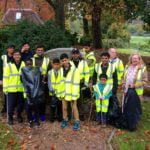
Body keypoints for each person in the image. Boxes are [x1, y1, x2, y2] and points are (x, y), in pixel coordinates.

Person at [118, 53, 148, 131]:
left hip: (136, 92)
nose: (134, 59)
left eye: (136, 58)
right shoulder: (127, 67)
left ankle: (133, 124)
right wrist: (123, 83)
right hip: (126, 90)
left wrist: (135, 85)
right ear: (131, 59)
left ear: (139, 59)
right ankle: (125, 122)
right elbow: (123, 77)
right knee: (126, 107)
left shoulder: (142, 68)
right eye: (133, 58)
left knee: (134, 109)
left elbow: (145, 81)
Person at [3, 51, 25, 125]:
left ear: (20, 56)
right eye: (15, 55)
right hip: (11, 89)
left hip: (21, 89)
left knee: (20, 104)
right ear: (13, 56)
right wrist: (5, 89)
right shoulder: (8, 65)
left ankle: (19, 115)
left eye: (18, 55)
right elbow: (5, 78)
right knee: (11, 104)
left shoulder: (23, 64)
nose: (17, 56)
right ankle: (10, 118)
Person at [60, 53, 80, 131]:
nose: (64, 62)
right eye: (62, 61)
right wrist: (60, 93)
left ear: (68, 60)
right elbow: (60, 83)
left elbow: (76, 84)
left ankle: (77, 121)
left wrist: (74, 95)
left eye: (65, 60)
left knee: (74, 107)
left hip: (72, 94)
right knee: (64, 108)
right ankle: (65, 119)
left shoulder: (75, 70)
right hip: (64, 93)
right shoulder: (60, 70)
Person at [21, 59, 43, 128]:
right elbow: (23, 81)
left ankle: (37, 120)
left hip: (35, 92)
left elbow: (40, 79)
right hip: (27, 93)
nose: (29, 65)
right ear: (25, 65)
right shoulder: (23, 71)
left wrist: (40, 70)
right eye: (27, 64)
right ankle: (30, 121)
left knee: (36, 107)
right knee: (28, 108)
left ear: (32, 63)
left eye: (30, 64)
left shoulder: (36, 71)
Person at [32, 45, 51, 121]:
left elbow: (49, 71)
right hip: (34, 82)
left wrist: (46, 76)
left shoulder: (47, 60)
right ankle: (35, 114)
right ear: (36, 51)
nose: (40, 51)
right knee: (34, 99)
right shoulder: (32, 59)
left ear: (43, 51)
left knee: (42, 99)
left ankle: (42, 114)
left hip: (43, 82)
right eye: (38, 50)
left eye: (41, 50)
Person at [0, 45, 15, 114]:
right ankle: (5, 108)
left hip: (13, 78)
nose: (11, 49)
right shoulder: (3, 57)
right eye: (10, 48)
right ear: (7, 49)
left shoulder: (15, 56)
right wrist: (0, 79)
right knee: (5, 93)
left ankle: (12, 108)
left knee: (12, 93)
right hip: (5, 78)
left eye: (12, 48)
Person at [48, 58, 63, 122]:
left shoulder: (62, 71)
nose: (56, 66)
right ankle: (52, 117)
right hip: (52, 92)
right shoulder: (50, 72)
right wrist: (51, 89)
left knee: (59, 106)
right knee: (52, 105)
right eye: (54, 64)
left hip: (59, 92)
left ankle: (60, 117)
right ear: (52, 65)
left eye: (57, 64)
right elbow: (49, 82)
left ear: (59, 64)